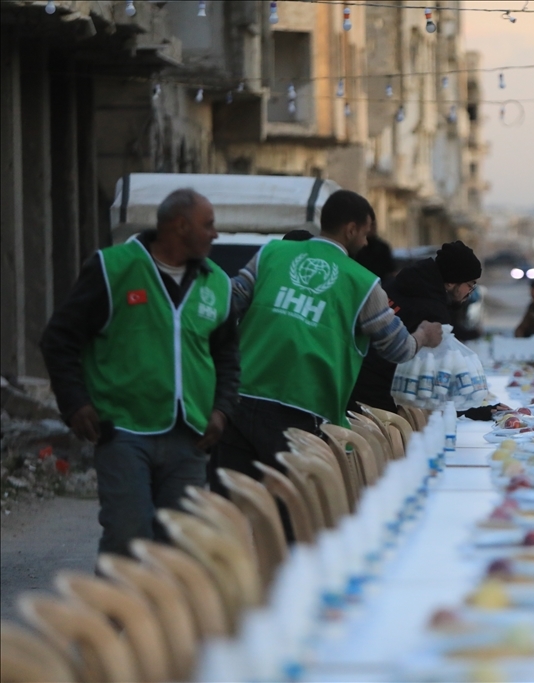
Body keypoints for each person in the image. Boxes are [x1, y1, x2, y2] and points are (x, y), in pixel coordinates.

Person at [41, 189, 239, 557]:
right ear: (180, 226)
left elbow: (227, 356)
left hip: (191, 435)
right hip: (124, 430)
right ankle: (117, 615)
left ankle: (170, 616)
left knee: (179, 545)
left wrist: (222, 409)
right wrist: (75, 403)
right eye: (208, 225)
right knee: (127, 536)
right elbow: (59, 339)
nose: (215, 234)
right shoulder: (113, 268)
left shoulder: (218, 283)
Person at [214, 189, 442, 494]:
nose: (366, 242)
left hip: (239, 398)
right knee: (290, 511)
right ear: (351, 229)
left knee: (232, 502)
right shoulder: (363, 283)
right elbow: (398, 348)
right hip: (300, 410)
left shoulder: (271, 254)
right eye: (365, 233)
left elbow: (226, 305)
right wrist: (424, 336)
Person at [349, 241, 505, 419]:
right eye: (470, 284)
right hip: (383, 401)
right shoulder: (433, 312)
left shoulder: (398, 284)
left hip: (355, 382)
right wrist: (470, 411)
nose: (470, 291)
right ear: (451, 282)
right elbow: (431, 385)